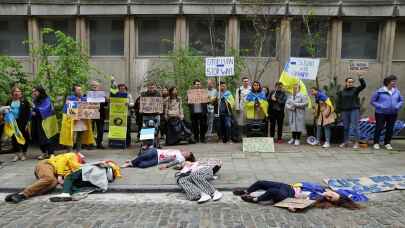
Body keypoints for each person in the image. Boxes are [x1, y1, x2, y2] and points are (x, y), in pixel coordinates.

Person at [233, 180, 366, 212]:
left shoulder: (316, 200)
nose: (329, 193)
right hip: (288, 187)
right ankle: (247, 191)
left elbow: (301, 205)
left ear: (329, 200)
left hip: (288, 196)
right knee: (261, 182)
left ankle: (255, 200)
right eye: (332, 193)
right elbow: (352, 195)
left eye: (330, 196)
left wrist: (292, 207)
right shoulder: (319, 188)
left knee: (273, 191)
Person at [4, 152, 85, 203]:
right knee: (49, 178)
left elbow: (68, 176)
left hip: (52, 173)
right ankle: (23, 193)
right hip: (47, 165)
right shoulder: (72, 155)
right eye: (82, 160)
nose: (82, 162)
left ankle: (21, 195)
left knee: (52, 185)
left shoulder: (72, 168)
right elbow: (62, 160)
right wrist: (60, 176)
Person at [49, 160, 121, 202]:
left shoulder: (71, 156)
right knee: (73, 183)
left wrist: (60, 176)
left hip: (95, 172)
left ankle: (66, 193)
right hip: (99, 181)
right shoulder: (115, 169)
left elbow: (108, 165)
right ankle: (75, 193)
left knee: (69, 177)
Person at [370, 75, 404, 150]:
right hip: (381, 113)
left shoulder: (397, 91)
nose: (395, 82)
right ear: (388, 82)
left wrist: (398, 106)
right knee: (379, 127)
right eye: (393, 81)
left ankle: (387, 143)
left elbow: (401, 100)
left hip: (393, 113)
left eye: (395, 81)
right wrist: (381, 106)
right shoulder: (379, 91)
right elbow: (372, 101)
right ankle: (376, 143)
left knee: (390, 128)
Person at [60, 85, 95, 153]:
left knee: (80, 136)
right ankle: (69, 152)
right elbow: (66, 110)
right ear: (74, 91)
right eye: (78, 90)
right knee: (70, 136)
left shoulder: (84, 99)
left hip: (81, 121)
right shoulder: (70, 98)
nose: (80, 91)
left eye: (81, 90)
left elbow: (90, 108)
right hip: (72, 121)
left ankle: (78, 152)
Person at [337, 76, 366, 149]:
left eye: (352, 82)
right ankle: (345, 142)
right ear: (346, 82)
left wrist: (361, 79)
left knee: (355, 127)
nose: (350, 83)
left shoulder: (355, 90)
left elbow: (363, 86)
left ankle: (356, 143)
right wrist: (338, 111)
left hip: (354, 110)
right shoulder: (341, 92)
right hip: (344, 111)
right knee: (345, 127)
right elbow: (339, 102)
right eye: (349, 82)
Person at [31, 86, 59, 160]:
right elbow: (33, 110)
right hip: (37, 121)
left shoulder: (46, 99)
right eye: (33, 91)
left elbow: (45, 109)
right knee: (39, 137)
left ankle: (51, 153)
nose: (34, 93)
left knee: (47, 137)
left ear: (40, 91)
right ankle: (44, 152)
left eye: (35, 91)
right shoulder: (35, 100)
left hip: (46, 121)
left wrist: (35, 109)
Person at [6, 86, 31, 161]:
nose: (17, 93)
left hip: (22, 122)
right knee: (14, 138)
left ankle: (24, 153)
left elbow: (28, 113)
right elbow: (6, 110)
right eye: (15, 91)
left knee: (24, 136)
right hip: (12, 122)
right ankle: (16, 154)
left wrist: (27, 123)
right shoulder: (9, 101)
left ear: (21, 93)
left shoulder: (24, 101)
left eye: (18, 91)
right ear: (12, 93)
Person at [121, 147, 195, 169]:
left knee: (143, 165)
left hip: (157, 160)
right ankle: (130, 163)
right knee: (145, 156)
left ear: (187, 157)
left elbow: (173, 163)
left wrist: (165, 166)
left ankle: (132, 163)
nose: (186, 152)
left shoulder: (181, 158)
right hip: (157, 152)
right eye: (187, 151)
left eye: (188, 153)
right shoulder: (179, 150)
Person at [140, 81, 162, 148]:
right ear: (147, 87)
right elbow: (141, 103)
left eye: (153, 87)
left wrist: (160, 109)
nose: (151, 88)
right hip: (146, 115)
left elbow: (160, 103)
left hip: (156, 114)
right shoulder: (143, 94)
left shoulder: (158, 94)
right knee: (145, 129)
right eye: (150, 87)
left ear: (155, 87)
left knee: (157, 130)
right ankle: (145, 144)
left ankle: (157, 144)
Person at [89, 80, 107, 149]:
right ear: (90, 87)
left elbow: (105, 104)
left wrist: (105, 99)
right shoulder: (88, 94)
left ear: (99, 87)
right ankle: (90, 143)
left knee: (100, 129)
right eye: (93, 86)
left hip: (100, 115)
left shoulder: (102, 95)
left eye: (96, 86)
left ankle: (99, 143)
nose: (94, 87)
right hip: (91, 114)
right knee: (91, 129)